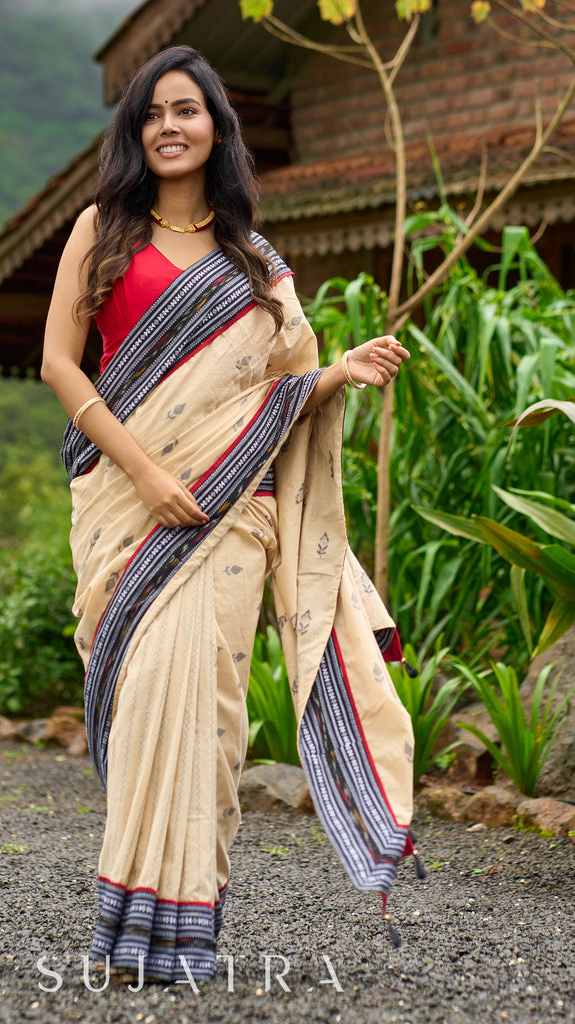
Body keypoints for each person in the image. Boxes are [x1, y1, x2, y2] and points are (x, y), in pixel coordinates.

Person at [42, 44, 418, 985]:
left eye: (188, 110)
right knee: (142, 719)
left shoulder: (255, 263)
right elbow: (59, 364)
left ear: (217, 126)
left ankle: (183, 933)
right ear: (135, 132)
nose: (170, 127)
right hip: (132, 509)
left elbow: (283, 393)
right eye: (152, 114)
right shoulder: (103, 230)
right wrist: (149, 473)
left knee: (206, 718)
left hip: (231, 515)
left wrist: (341, 372)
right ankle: (127, 933)